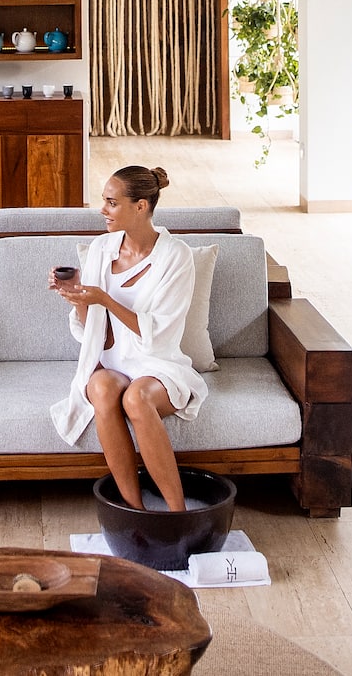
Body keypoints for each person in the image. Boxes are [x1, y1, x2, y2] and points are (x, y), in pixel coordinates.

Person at [48, 165, 207, 511]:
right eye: (104, 202)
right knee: (102, 388)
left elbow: (160, 332)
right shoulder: (101, 249)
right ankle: (135, 513)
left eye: (111, 203)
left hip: (157, 364)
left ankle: (178, 514)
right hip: (113, 362)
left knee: (136, 399)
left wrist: (105, 298)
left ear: (141, 206)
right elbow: (94, 331)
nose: (103, 210)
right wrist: (77, 298)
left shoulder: (175, 256)